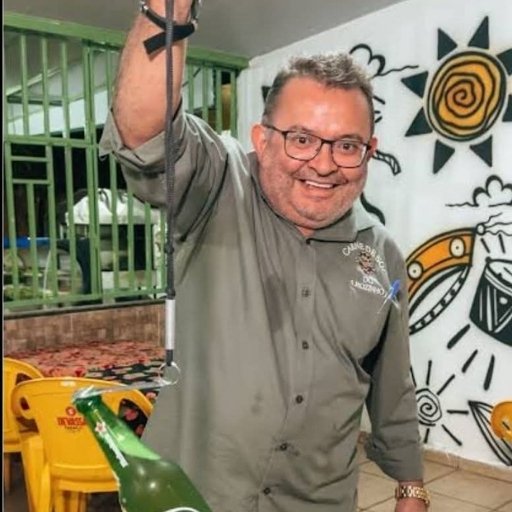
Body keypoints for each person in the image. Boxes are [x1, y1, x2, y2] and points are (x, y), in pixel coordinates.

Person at [100, 1, 429, 510]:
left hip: (318, 501)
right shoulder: (216, 185)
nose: (323, 164)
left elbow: (392, 383)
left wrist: (411, 485)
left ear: (370, 151)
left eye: (347, 145)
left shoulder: (381, 253)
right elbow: (145, 134)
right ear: (262, 139)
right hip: (195, 497)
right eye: (301, 139)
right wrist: (169, 11)